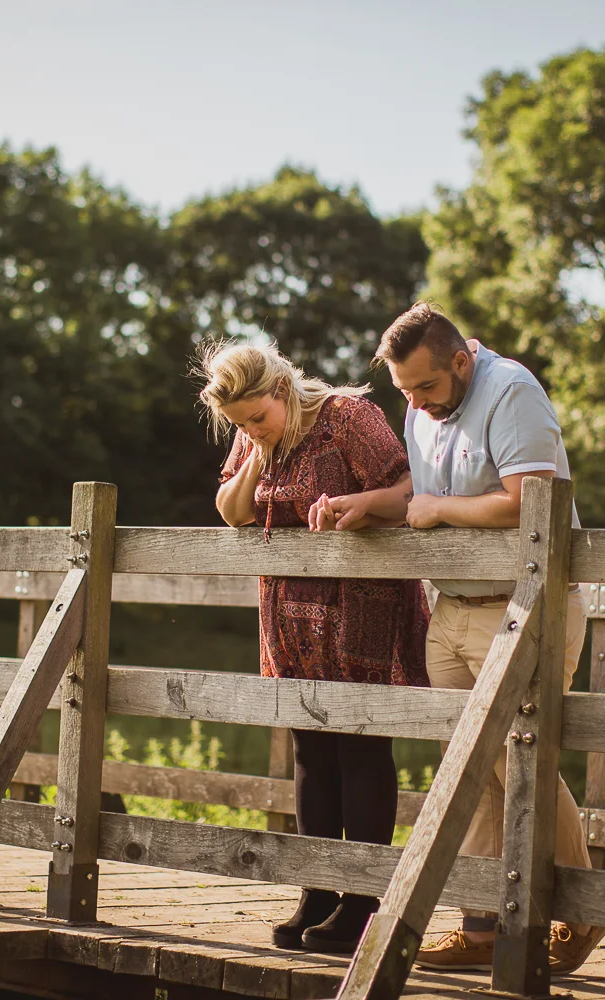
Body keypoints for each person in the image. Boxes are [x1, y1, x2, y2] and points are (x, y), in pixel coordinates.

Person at [307, 302, 605, 975]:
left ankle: (583, 907)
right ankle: (477, 927)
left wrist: (436, 510)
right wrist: (370, 504)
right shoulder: (423, 403)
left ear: (461, 362)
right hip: (452, 609)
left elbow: (529, 497)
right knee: (469, 770)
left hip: (526, 605)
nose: (414, 402)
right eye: (404, 391)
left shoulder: (514, 393)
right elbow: (421, 487)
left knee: (515, 752)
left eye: (426, 388)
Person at [199, 341, 429, 954]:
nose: (250, 427)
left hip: (359, 608)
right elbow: (231, 511)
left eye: (258, 416)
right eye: (239, 422)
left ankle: (361, 901)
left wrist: (357, 504)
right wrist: (255, 451)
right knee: (310, 750)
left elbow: (409, 489)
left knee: (359, 750)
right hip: (291, 616)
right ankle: (317, 892)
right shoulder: (253, 437)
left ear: (282, 390)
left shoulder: (348, 417)